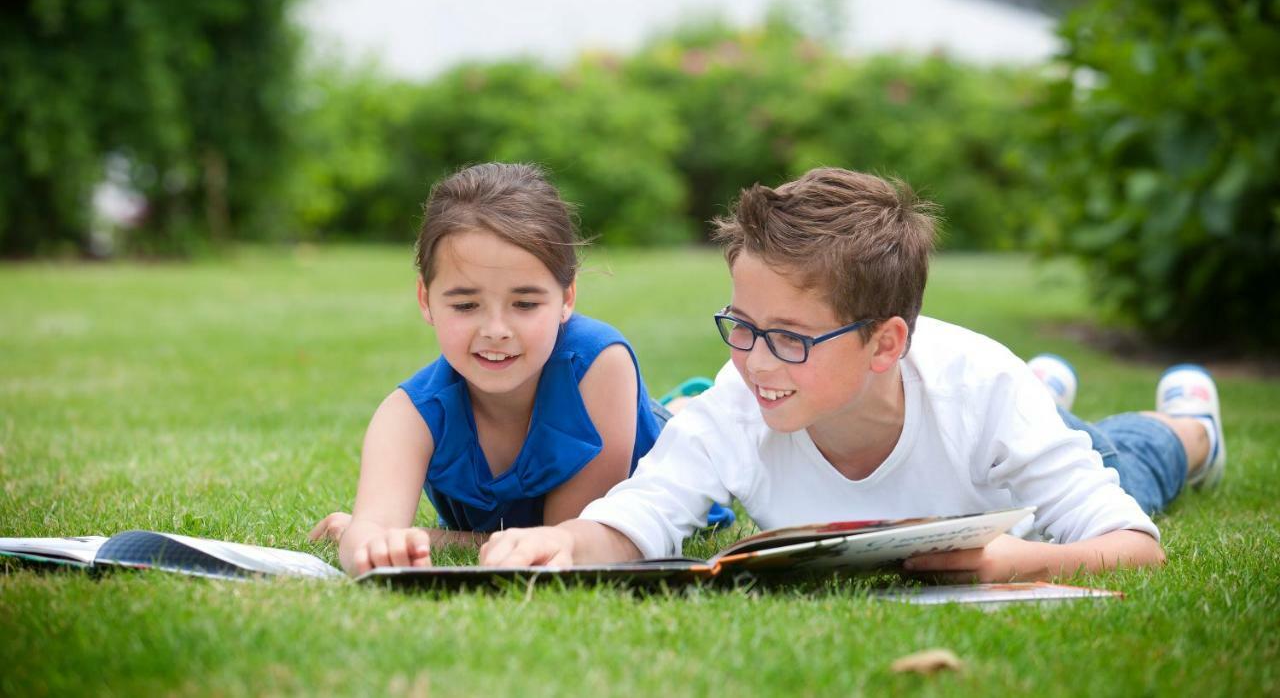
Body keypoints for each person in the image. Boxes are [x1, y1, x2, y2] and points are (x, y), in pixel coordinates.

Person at [478, 168, 1226, 582]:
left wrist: (1013, 560)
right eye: (743, 326)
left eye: (791, 338)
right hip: (994, 426)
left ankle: (1189, 425)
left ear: (884, 341)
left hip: (999, 433)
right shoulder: (740, 400)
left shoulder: (981, 391)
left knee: (1132, 457)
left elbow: (1136, 546)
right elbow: (644, 511)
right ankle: (1053, 391)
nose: (756, 362)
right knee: (1044, 424)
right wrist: (569, 542)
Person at [310, 162, 728, 576]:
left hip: (643, 436)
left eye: (525, 304)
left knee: (689, 427)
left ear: (567, 297)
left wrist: (433, 537)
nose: (496, 331)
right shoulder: (409, 415)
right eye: (465, 305)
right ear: (425, 298)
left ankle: (682, 408)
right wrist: (367, 542)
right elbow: (366, 535)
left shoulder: (601, 364)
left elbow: (568, 541)